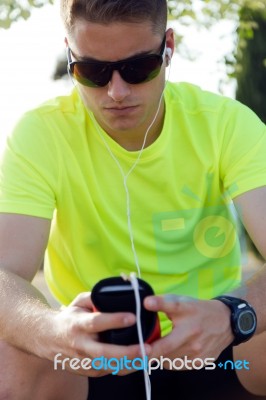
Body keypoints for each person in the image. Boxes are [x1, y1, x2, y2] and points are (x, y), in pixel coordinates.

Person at [0, 0, 266, 399]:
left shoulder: (226, 122)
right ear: (70, 53)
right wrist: (51, 331)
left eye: (139, 68)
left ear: (168, 48)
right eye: (92, 71)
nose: (117, 91)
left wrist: (235, 314)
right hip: (89, 357)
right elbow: (5, 273)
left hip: (218, 345)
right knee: (10, 348)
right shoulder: (41, 133)